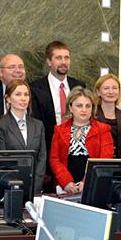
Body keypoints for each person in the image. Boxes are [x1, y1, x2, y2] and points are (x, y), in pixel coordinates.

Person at [30, 40, 85, 192]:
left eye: (66, 58)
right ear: (49, 61)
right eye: (58, 58)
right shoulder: (36, 88)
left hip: (76, 155)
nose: (63, 62)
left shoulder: (79, 86)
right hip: (49, 157)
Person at [49, 87, 113, 194]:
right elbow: (54, 159)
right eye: (79, 106)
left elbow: (105, 159)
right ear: (70, 107)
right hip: (66, 187)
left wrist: (88, 181)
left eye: (88, 106)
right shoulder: (59, 130)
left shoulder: (103, 129)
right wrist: (66, 182)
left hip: (94, 184)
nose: (84, 110)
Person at [0, 79, 47, 195]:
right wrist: (16, 183)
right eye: (18, 94)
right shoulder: (0, 125)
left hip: (35, 188)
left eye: (26, 94)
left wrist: (35, 184)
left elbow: (42, 157)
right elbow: (3, 159)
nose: (23, 98)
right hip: (10, 187)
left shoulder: (38, 125)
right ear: (8, 98)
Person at [93, 74, 121, 158]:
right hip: (98, 164)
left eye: (115, 88)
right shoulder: (91, 116)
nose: (111, 92)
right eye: (106, 88)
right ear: (98, 92)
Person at [0, 53, 27, 119]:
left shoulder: (37, 95)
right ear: (0, 72)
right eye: (12, 67)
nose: (18, 70)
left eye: (21, 67)